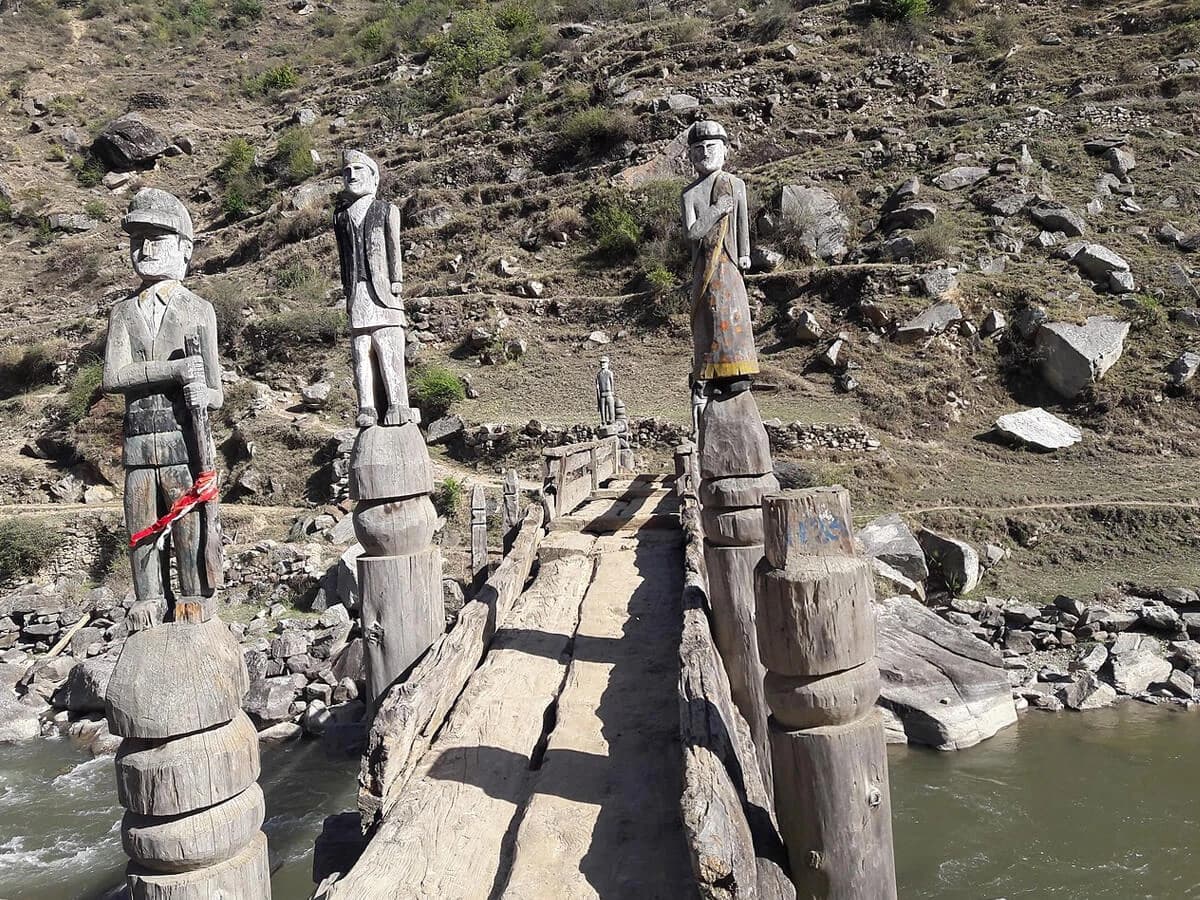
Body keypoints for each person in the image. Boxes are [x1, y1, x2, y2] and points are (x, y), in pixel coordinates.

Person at [102, 188, 222, 627]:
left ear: (185, 249)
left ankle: (193, 592)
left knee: (187, 521)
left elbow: (215, 391)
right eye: (138, 240)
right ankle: (148, 595)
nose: (145, 249)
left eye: (158, 238)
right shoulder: (123, 312)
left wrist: (201, 393)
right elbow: (114, 377)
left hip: (182, 442)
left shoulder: (199, 310)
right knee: (140, 522)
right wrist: (172, 371)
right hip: (137, 442)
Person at [333, 149, 410, 428]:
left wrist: (396, 280)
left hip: (384, 293)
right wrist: (346, 288)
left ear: (374, 176)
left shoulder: (387, 210)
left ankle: (397, 403)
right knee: (360, 347)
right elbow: (344, 256)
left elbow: (394, 249)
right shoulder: (340, 218)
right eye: (346, 170)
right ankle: (366, 405)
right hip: (357, 292)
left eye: (358, 169)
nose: (351, 175)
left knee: (386, 343)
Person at [680, 120, 758, 384]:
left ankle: (738, 368)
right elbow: (692, 233)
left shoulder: (735, 183)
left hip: (731, 259)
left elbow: (741, 223)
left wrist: (745, 252)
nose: (705, 153)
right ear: (690, 155)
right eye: (698, 148)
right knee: (709, 315)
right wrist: (716, 210)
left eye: (711, 146)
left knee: (734, 312)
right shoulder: (689, 194)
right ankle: (711, 366)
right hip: (705, 264)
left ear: (725, 150)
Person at [596, 356, 616, 426]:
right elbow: (597, 387)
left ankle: (612, 421)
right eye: (601, 362)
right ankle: (603, 421)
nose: (602, 364)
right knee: (603, 410)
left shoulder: (609, 373)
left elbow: (612, 383)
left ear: (607, 363)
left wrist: (612, 392)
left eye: (604, 362)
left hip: (609, 393)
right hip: (602, 394)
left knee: (611, 409)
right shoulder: (599, 374)